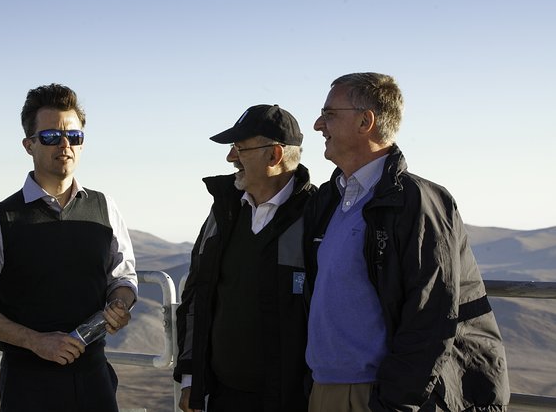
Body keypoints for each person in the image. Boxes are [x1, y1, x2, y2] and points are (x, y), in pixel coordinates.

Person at [304, 73, 510, 411]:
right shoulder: (330, 199)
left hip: (377, 395)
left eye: (329, 114)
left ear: (365, 121)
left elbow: (430, 316)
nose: (317, 125)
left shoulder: (417, 202)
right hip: (326, 388)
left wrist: (395, 403)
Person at [0, 83, 138, 412]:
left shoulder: (105, 208)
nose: (65, 145)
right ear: (29, 144)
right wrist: (35, 341)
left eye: (75, 136)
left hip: (95, 379)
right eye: (51, 136)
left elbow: (123, 276)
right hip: (28, 385)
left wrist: (119, 304)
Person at [174, 104, 316, 412]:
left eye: (239, 148)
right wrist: (191, 379)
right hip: (224, 397)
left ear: (274, 155)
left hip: (293, 400)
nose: (230, 158)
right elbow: (198, 295)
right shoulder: (224, 212)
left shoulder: (317, 217)